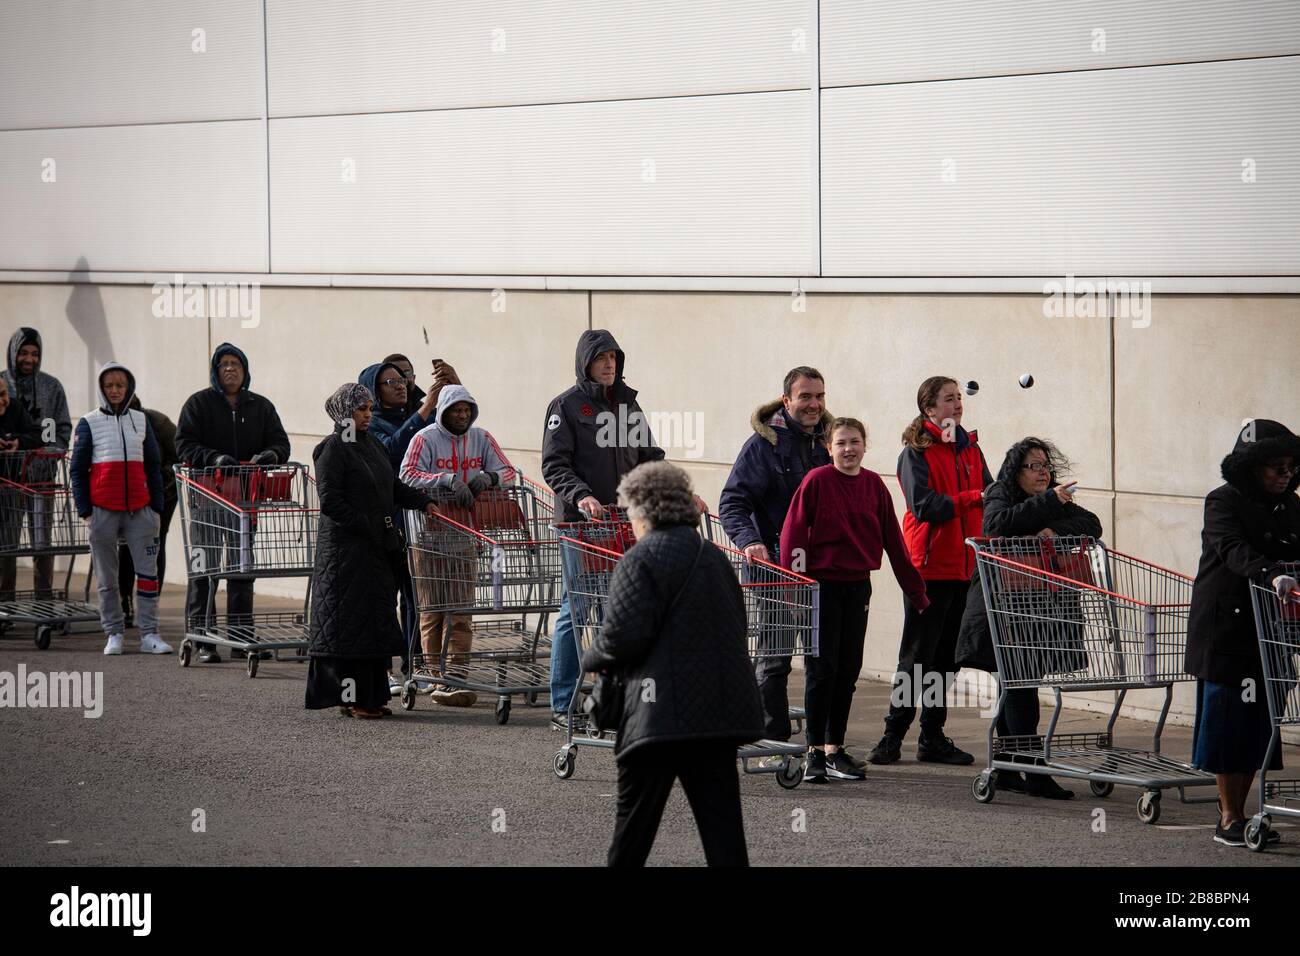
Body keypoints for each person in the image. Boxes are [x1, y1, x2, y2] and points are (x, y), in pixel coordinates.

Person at [582, 461, 763, 866]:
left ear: (642, 510)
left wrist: (591, 656)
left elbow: (621, 639)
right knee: (724, 836)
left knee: (633, 834)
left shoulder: (641, 558)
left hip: (657, 718)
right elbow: (736, 621)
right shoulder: (714, 558)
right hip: (717, 716)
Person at [542, 330, 681, 730]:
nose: (609, 364)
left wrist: (675, 492)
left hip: (624, 524)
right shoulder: (566, 407)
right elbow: (554, 464)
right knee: (578, 608)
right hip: (581, 525)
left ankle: (612, 702)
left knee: (618, 610)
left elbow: (650, 457)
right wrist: (582, 497)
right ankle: (563, 704)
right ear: (585, 362)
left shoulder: (628, 405)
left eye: (614, 358)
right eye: (601, 358)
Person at [781, 418, 929, 782]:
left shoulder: (874, 485)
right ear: (829, 449)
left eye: (855, 442)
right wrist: (796, 588)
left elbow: (894, 541)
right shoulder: (816, 482)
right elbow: (793, 536)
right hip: (821, 587)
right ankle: (813, 751)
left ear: (865, 445)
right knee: (821, 669)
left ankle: (835, 749)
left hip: (858, 586)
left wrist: (917, 592)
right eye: (841, 443)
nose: (849, 449)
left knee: (847, 670)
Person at [954, 437, 1103, 799]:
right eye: (1034, 466)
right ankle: (1032, 770)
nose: (1043, 472)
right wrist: (1047, 503)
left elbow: (1092, 523)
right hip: (1000, 603)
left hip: (1038, 606)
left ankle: (1009, 766)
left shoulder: (1056, 500)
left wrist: (1055, 530)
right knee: (1019, 682)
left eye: (1046, 466)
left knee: (1017, 681)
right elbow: (997, 525)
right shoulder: (1000, 493)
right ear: (1016, 469)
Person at [1185, 419, 1300, 847]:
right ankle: (1229, 813)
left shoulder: (1290, 507)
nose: (1284, 474)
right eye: (1276, 467)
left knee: (1258, 724)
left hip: (1271, 629)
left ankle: (1244, 806)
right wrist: (1271, 573)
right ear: (1252, 466)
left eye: (1290, 467)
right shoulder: (1223, 501)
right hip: (1227, 628)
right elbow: (1231, 548)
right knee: (1227, 721)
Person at [870, 376, 992, 766]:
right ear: (929, 409)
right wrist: (975, 498)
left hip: (965, 568)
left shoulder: (971, 448)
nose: (957, 405)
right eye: (948, 399)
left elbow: (993, 496)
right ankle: (892, 736)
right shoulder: (914, 453)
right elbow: (925, 506)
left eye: (959, 398)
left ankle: (932, 737)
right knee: (918, 658)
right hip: (928, 569)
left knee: (947, 660)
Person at [306, 384, 439, 718]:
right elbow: (331, 501)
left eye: (368, 409)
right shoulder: (332, 449)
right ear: (343, 413)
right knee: (351, 627)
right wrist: (367, 524)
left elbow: (390, 485)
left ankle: (370, 697)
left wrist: (423, 502)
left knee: (372, 624)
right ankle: (352, 699)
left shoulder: (371, 444)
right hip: (345, 555)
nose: (367, 415)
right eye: (360, 410)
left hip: (375, 550)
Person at [719, 366, 832, 748]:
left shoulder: (831, 443)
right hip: (777, 568)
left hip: (824, 567)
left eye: (819, 396)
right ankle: (772, 737)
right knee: (777, 656)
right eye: (805, 396)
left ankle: (824, 743)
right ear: (786, 401)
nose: (814, 404)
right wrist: (750, 541)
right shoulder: (762, 445)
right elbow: (733, 502)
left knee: (823, 659)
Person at [399, 384, 516, 706]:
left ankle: (456, 677)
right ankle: (436, 674)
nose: (463, 416)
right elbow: (406, 475)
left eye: (467, 410)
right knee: (433, 611)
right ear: (444, 412)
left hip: (465, 535)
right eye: (456, 410)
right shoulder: (424, 439)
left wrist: (487, 478)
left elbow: (507, 471)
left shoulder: (482, 438)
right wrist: (446, 479)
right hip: (428, 536)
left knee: (461, 612)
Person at [175, 343, 290, 663]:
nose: (230, 369)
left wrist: (273, 455)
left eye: (236, 364)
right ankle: (203, 639)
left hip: (243, 501)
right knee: (205, 571)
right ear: (215, 371)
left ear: (245, 370)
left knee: (242, 571)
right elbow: (183, 444)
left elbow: (281, 442)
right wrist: (214, 458)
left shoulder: (260, 407)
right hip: (206, 500)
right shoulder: (198, 404)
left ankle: (241, 636)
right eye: (224, 364)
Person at [359, 358, 460, 693]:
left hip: (422, 523)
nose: (400, 384)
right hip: (386, 524)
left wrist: (453, 388)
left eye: (403, 379)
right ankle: (385, 667)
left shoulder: (420, 414)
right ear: (374, 390)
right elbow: (389, 454)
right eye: (391, 381)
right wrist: (427, 406)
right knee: (386, 597)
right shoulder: (370, 424)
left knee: (418, 597)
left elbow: (458, 425)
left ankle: (416, 664)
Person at [68, 363, 171, 656]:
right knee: (107, 578)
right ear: (102, 389)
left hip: (141, 509)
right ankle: (113, 633)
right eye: (109, 386)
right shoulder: (88, 422)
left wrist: (156, 508)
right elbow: (77, 469)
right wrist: (86, 511)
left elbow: (153, 465)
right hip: (103, 510)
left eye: (120, 386)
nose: (114, 390)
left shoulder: (141, 420)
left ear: (129, 388)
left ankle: (150, 633)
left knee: (148, 574)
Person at [1, 328, 71, 603]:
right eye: (23, 352)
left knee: (42, 543)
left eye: (34, 353)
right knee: (7, 544)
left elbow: (63, 427)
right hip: (8, 479)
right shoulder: (2, 383)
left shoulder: (51, 387)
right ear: (13, 352)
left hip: (42, 478)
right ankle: (5, 604)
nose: (28, 358)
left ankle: (44, 601)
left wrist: (52, 454)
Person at [117, 395, 178, 629]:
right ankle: (125, 603)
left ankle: (150, 604)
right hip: (126, 494)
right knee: (126, 546)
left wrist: (159, 480)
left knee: (155, 545)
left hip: (162, 493)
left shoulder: (158, 423)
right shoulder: (107, 424)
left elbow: (178, 456)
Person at [0, 377, 45, 598]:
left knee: (8, 547)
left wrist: (17, 442)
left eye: (4, 394)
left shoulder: (15, 407)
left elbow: (37, 434)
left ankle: (5, 603)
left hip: (11, 487)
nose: (2, 400)